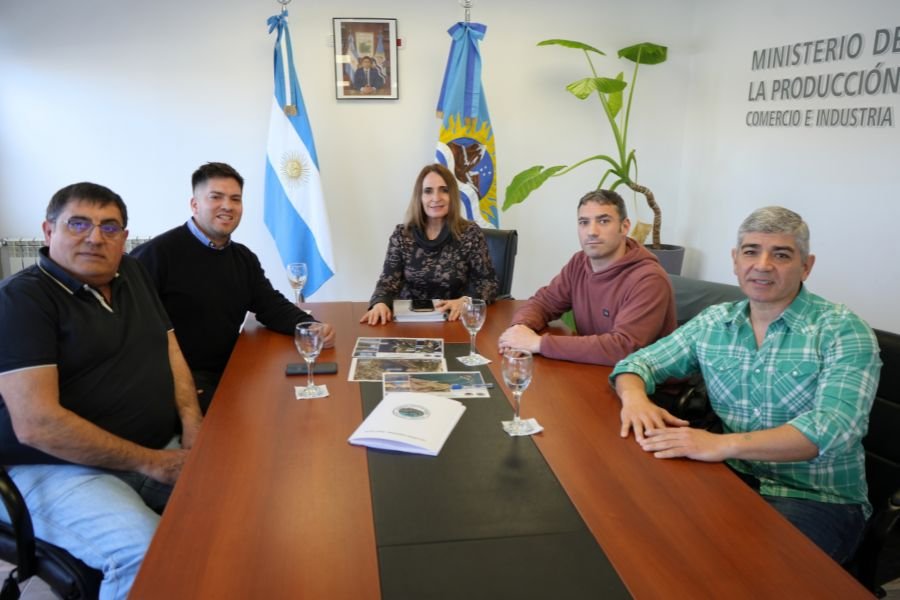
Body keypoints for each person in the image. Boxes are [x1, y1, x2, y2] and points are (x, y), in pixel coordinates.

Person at [611, 206, 881, 563]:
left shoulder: (843, 330)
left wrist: (720, 445)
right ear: (735, 260)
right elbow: (636, 363)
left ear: (807, 265)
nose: (763, 265)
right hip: (731, 479)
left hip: (816, 499)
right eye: (751, 251)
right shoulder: (715, 321)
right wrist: (635, 399)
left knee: (740, 571)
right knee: (642, 533)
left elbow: (833, 429)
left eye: (781, 254)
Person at [0, 182, 203, 599]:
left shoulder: (132, 271)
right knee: (144, 553)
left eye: (110, 227)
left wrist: (193, 422)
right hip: (54, 467)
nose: (95, 237)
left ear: (124, 238)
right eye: (79, 223)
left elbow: (170, 348)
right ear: (48, 230)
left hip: (149, 448)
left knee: (231, 502)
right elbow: (38, 425)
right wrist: (153, 463)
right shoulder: (21, 301)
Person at [131, 162, 334, 412]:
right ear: (194, 205)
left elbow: (270, 305)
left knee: (298, 406)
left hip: (231, 368)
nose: (227, 206)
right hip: (180, 381)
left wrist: (309, 327)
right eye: (216, 197)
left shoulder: (243, 258)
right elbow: (133, 333)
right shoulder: (156, 255)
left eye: (235, 199)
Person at [498, 189, 676, 365]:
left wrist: (538, 343)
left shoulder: (649, 279)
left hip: (645, 386)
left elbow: (623, 347)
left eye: (604, 221)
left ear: (625, 227)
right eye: (584, 222)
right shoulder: (580, 262)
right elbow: (544, 302)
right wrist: (520, 328)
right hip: (594, 370)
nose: (592, 231)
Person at [360, 163, 498, 325]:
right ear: (419, 197)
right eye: (428, 191)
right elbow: (387, 282)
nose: (436, 198)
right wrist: (380, 303)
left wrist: (467, 300)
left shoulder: (469, 233)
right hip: (408, 323)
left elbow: (489, 282)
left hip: (454, 322)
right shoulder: (402, 235)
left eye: (444, 190)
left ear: (452, 195)